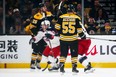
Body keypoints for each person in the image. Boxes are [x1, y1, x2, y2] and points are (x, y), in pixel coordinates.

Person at [54, 4, 86, 73]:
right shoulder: (76, 17)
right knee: (74, 54)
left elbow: (57, 27)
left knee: (63, 54)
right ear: (73, 10)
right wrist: (83, 36)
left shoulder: (61, 17)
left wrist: (60, 32)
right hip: (73, 39)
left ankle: (62, 68)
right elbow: (79, 29)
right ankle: (74, 68)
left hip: (63, 39)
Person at [25, 3, 53, 69]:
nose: (45, 8)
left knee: (42, 51)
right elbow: (32, 27)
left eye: (45, 7)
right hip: (38, 35)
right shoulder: (37, 16)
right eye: (44, 7)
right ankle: (32, 63)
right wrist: (36, 35)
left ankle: (38, 62)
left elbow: (53, 20)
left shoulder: (48, 14)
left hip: (45, 35)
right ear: (41, 8)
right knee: (36, 50)